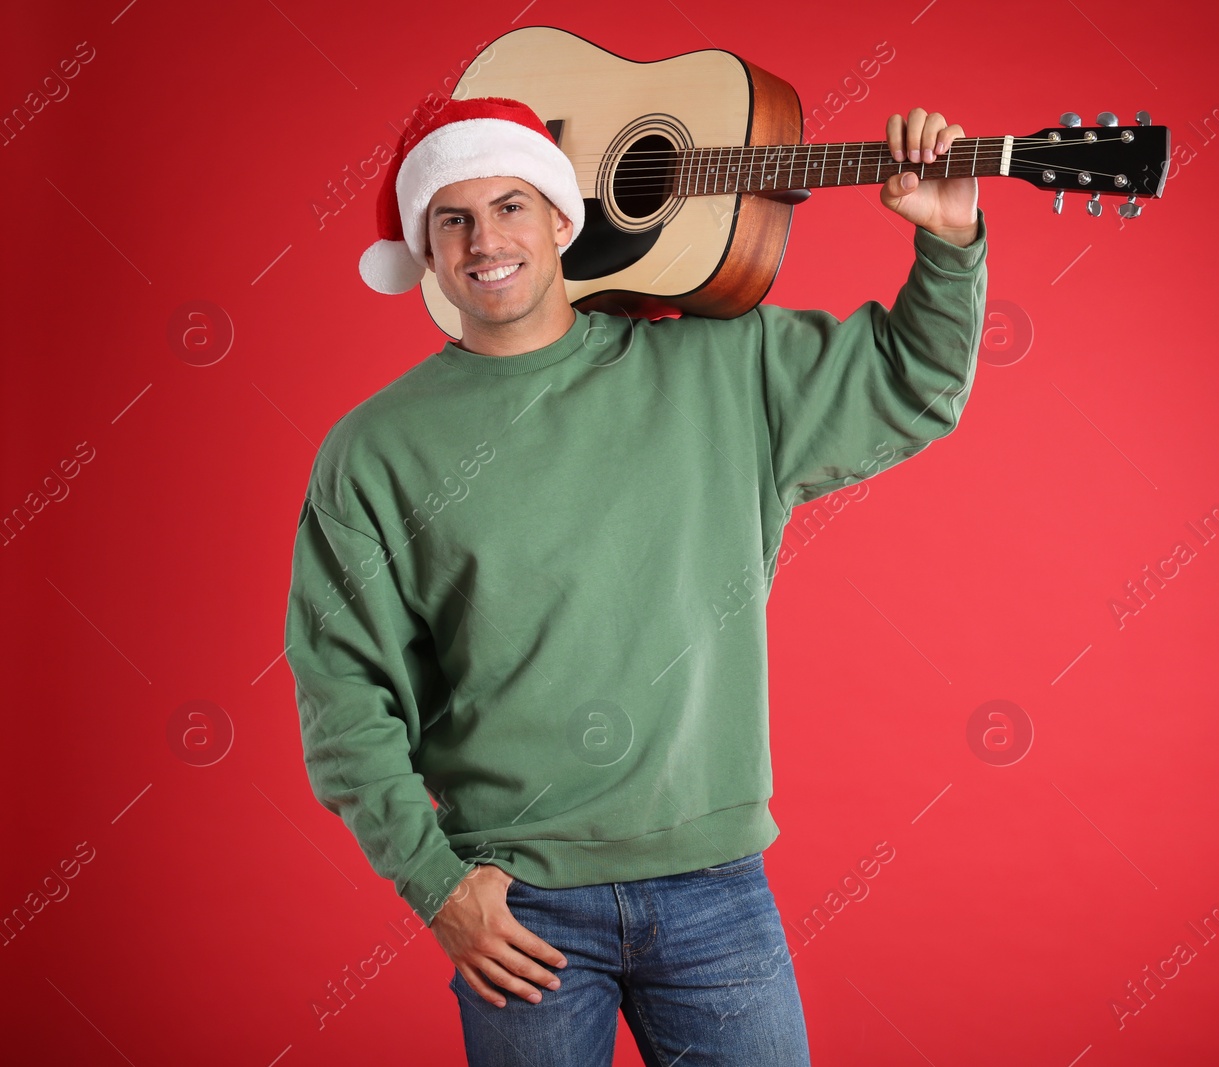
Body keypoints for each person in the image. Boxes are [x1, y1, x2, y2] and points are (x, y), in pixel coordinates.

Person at [284, 93, 986, 1066]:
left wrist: (949, 241)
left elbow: (914, 378)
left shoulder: (721, 366)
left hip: (715, 890)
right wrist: (437, 885)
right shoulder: (373, 449)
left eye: (511, 204)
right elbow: (340, 692)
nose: (486, 238)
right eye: (454, 217)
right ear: (426, 247)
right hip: (518, 907)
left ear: (562, 218)